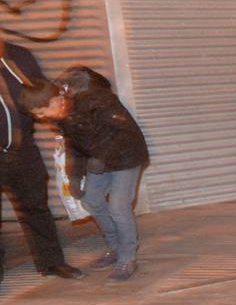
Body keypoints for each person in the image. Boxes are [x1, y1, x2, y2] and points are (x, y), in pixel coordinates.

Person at [21, 76, 149, 282]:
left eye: (42, 112)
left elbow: (125, 131)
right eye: (38, 115)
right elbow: (75, 147)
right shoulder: (61, 117)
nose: (42, 118)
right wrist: (74, 176)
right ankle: (115, 248)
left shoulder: (96, 100)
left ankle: (128, 258)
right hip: (100, 160)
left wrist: (102, 156)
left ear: (55, 101)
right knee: (91, 199)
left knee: (118, 206)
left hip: (127, 156)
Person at [0, 39, 84, 285]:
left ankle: (51, 261)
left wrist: (65, 126)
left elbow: (44, 97)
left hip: (22, 149)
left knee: (36, 208)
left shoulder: (19, 56)